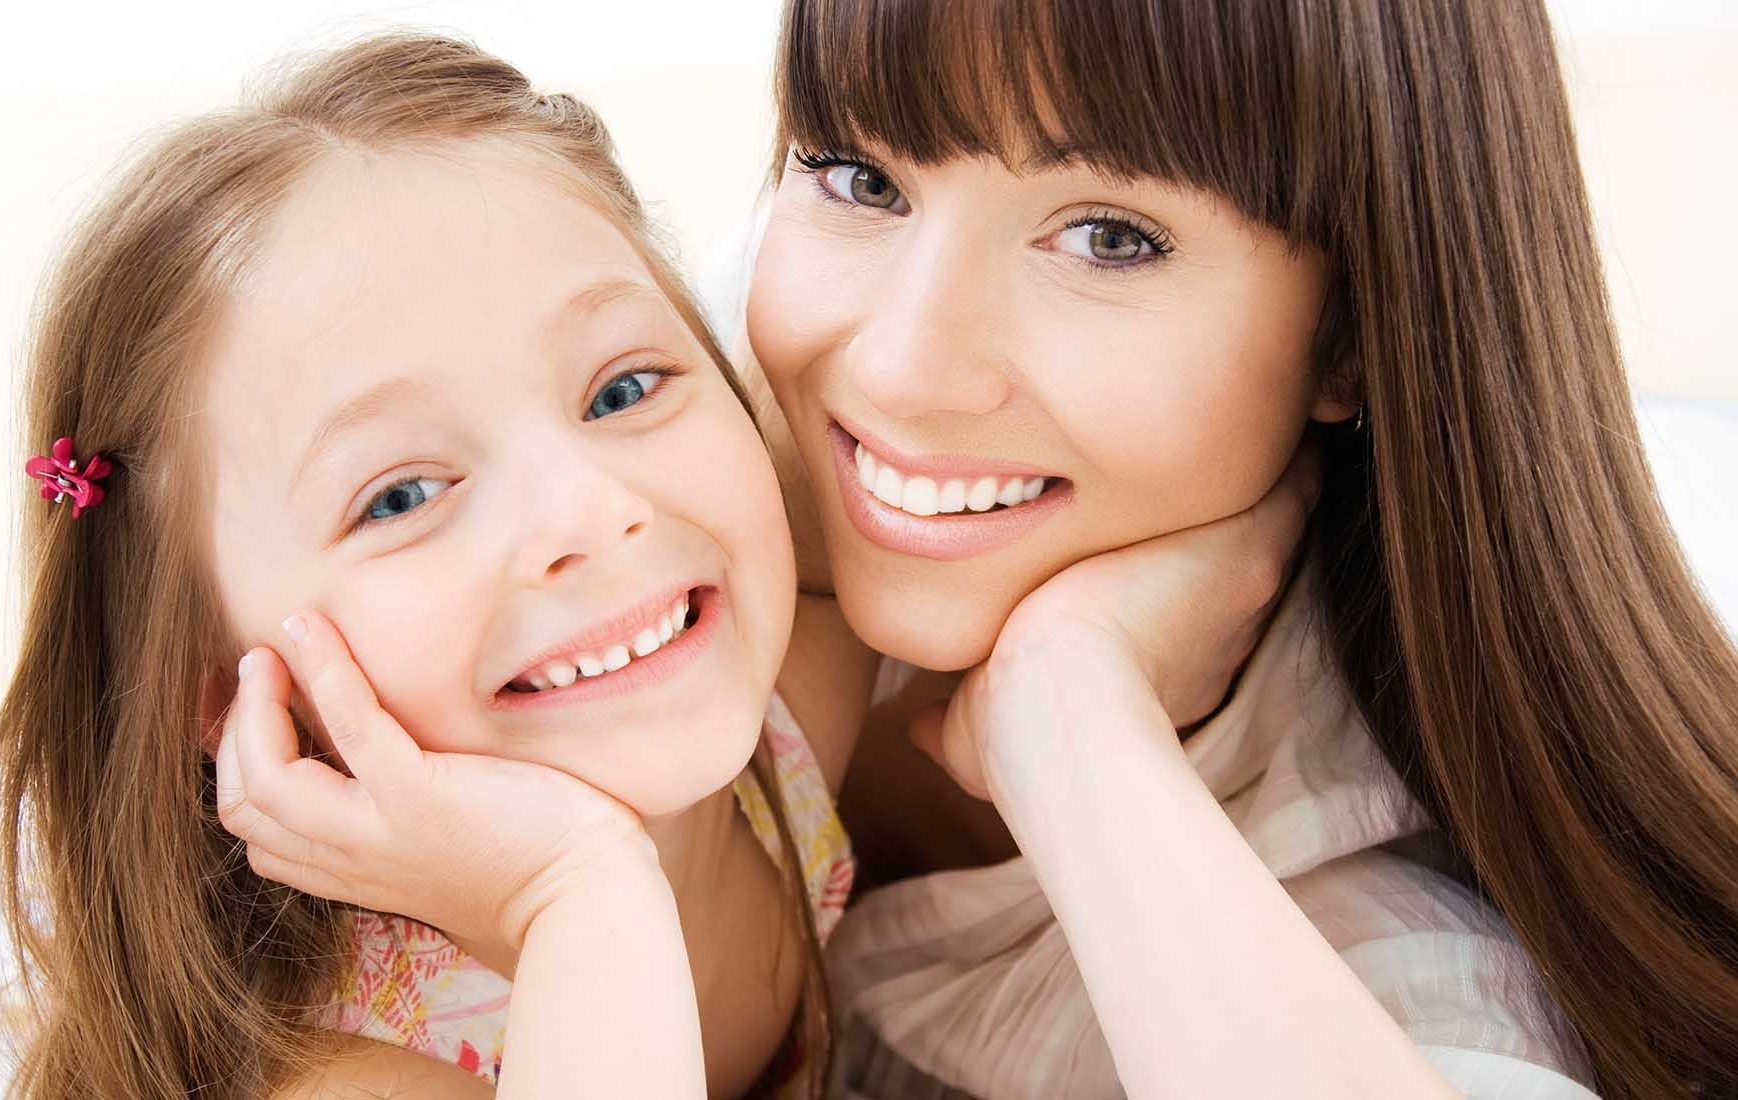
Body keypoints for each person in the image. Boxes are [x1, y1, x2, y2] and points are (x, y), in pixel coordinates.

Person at [737, 1, 1738, 1098]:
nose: (898, 367)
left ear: (1350, 332)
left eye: (1110, 237)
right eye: (860, 176)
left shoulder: (1379, 992)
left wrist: (1068, 712)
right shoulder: (637, 497)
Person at [0, 33, 880, 1100]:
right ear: (222, 690)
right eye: (402, 496)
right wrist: (580, 895)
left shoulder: (793, 715)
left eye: (623, 389)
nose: (594, 510)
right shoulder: (343, 1065)